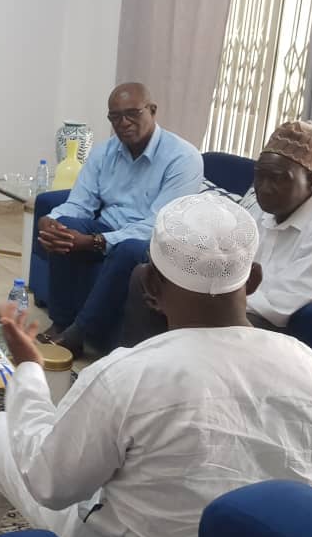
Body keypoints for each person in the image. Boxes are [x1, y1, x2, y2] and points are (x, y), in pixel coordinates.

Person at [0, 192, 312, 537]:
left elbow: (48, 483)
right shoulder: (309, 365)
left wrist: (30, 370)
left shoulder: (129, 374)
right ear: (253, 280)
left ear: (150, 287)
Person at [121, 120, 312, 345]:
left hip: (264, 320)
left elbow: (281, 302)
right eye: (260, 175)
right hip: (228, 296)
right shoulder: (259, 205)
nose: (264, 188)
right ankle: (141, 359)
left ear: (310, 180)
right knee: (146, 278)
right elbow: (220, 254)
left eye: (278, 178)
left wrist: (203, 299)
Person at [36, 82, 203, 357]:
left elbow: (158, 226)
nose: (123, 123)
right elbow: (80, 203)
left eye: (132, 114)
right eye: (115, 117)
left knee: (128, 249)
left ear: (152, 110)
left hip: (154, 241)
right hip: (108, 227)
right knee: (65, 228)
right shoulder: (104, 152)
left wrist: (95, 241)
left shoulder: (183, 158)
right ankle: (62, 322)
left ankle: (79, 333)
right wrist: (51, 220)